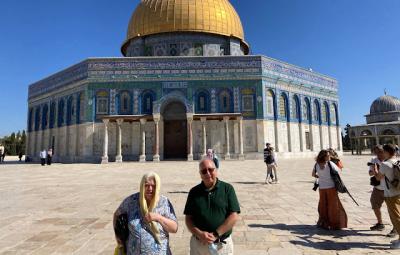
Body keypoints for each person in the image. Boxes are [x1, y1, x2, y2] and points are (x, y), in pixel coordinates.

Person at [184, 159, 240, 255]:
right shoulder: (194, 192)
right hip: (199, 244)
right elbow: (188, 218)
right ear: (200, 174)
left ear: (216, 170)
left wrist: (216, 234)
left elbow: (234, 216)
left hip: (221, 246)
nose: (208, 173)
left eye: (210, 170)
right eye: (204, 171)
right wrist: (200, 234)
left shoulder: (227, 189)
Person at [113, 172, 178, 255]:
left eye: (153, 186)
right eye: (146, 185)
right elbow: (117, 214)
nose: (150, 189)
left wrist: (159, 218)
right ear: (142, 186)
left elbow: (174, 228)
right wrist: (118, 236)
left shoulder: (164, 202)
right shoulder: (131, 201)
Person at [373, 144, 400, 249]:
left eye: (383, 151)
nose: (382, 153)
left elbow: (378, 178)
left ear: (388, 152)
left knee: (396, 217)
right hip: (398, 191)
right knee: (397, 215)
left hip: (391, 194)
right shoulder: (397, 161)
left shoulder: (385, 164)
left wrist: (375, 171)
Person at [312, 149, 347, 230]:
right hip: (331, 187)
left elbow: (313, 174)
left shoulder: (316, 164)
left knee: (323, 206)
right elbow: (338, 171)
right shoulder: (330, 163)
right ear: (324, 157)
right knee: (333, 206)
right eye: (328, 155)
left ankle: (324, 223)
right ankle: (334, 224)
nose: (329, 156)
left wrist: (321, 177)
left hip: (322, 188)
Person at [368, 145, 387, 231]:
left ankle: (395, 228)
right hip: (378, 187)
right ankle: (380, 223)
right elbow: (370, 173)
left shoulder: (388, 160)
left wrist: (378, 172)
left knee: (392, 209)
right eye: (376, 152)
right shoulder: (374, 160)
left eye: (380, 151)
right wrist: (373, 171)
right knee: (374, 203)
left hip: (388, 188)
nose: (378, 154)